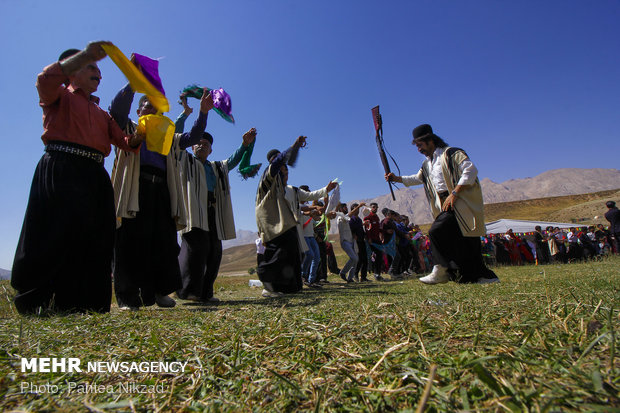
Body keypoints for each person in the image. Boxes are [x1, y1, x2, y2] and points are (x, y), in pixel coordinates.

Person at [11, 42, 145, 315]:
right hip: (61, 168)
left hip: (95, 175)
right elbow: (44, 80)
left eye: (98, 68)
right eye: (91, 67)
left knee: (95, 237)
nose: (99, 72)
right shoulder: (58, 96)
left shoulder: (101, 113)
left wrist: (142, 134)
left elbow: (125, 142)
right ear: (71, 72)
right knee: (53, 233)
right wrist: (84, 54)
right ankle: (37, 301)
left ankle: (85, 303)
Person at [109, 81, 214, 310]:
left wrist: (203, 113)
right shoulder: (128, 127)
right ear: (138, 112)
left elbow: (193, 137)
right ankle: (128, 297)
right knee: (129, 242)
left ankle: (158, 292)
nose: (154, 111)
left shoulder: (168, 137)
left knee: (163, 243)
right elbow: (116, 110)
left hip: (162, 192)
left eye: (158, 108)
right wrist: (131, 83)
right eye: (148, 107)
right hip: (135, 189)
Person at [386, 123, 499, 284]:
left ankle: (441, 269)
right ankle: (480, 276)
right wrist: (396, 178)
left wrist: (455, 193)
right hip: (444, 203)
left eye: (420, 145)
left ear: (430, 141)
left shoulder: (451, 153)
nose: (419, 149)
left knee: (436, 231)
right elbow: (418, 178)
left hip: (458, 200)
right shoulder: (427, 164)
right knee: (463, 241)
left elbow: (470, 170)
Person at [176, 117, 258, 302]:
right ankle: (188, 292)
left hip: (212, 212)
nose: (202, 146)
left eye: (206, 144)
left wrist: (244, 145)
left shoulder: (216, 167)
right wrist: (185, 115)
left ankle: (206, 293)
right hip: (194, 213)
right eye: (198, 143)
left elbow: (232, 161)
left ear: (211, 149)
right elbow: (176, 139)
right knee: (196, 250)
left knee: (214, 251)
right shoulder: (185, 160)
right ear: (191, 147)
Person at [255, 137, 336, 296]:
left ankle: (288, 287)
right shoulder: (268, 179)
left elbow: (310, 195)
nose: (284, 172)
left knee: (292, 252)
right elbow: (278, 163)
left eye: (286, 171)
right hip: (271, 223)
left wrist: (326, 189)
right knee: (278, 253)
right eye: (281, 166)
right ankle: (268, 284)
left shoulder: (292, 189)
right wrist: (295, 146)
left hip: (287, 225)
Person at [363, 203, 384, 281]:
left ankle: (378, 273)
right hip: (371, 240)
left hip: (377, 239)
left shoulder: (376, 217)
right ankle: (374, 273)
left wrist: (383, 232)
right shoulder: (368, 217)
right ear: (370, 208)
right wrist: (369, 238)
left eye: (376, 207)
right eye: (373, 207)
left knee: (379, 255)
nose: (375, 208)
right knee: (375, 255)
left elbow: (378, 228)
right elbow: (367, 228)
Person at [349, 203, 369, 282]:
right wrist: (353, 235)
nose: (357, 210)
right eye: (355, 208)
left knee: (365, 259)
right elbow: (350, 229)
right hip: (356, 242)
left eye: (358, 208)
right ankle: (355, 274)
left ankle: (363, 277)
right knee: (359, 259)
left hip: (362, 240)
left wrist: (365, 235)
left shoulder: (359, 219)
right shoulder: (351, 219)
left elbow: (361, 229)